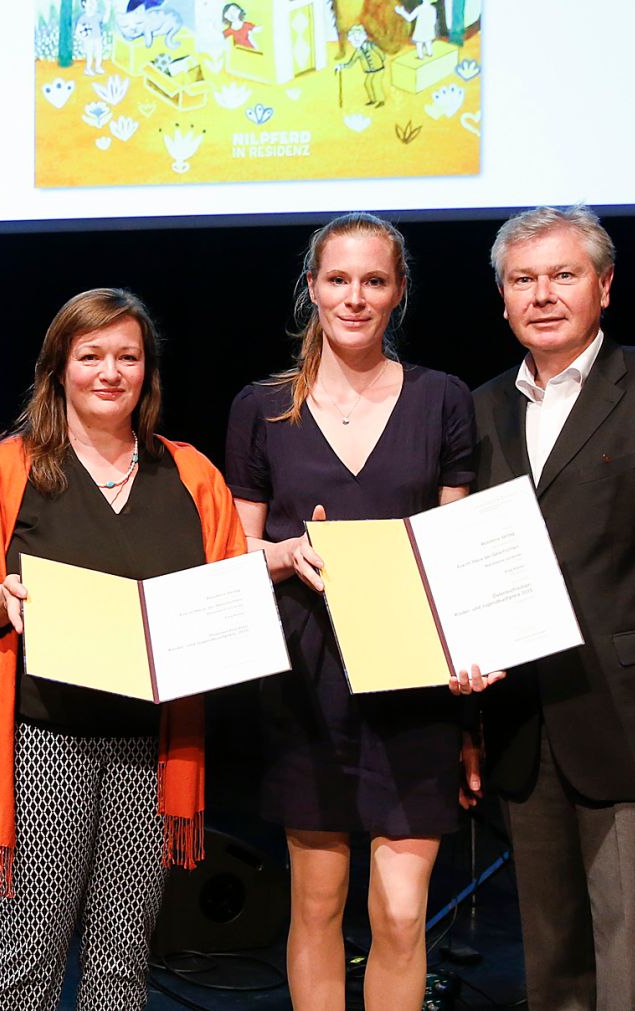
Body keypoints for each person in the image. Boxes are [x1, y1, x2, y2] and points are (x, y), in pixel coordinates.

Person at [463, 205, 635, 1009]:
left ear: (605, 286)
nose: (543, 294)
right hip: (524, 728)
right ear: (503, 298)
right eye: (524, 279)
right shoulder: (481, 409)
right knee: (552, 972)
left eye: (564, 274)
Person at [0, 288, 245, 1010]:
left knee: (122, 957)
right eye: (91, 356)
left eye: (127, 356)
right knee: (29, 950)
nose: (110, 371)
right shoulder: (9, 469)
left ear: (148, 371)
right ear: (59, 369)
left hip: (151, 743)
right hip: (45, 737)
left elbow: (229, 591)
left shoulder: (191, 473)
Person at [224, 213, 492, 1011]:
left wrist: (471, 695)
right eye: (337, 279)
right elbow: (234, 551)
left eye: (374, 280)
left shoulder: (442, 398)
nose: (355, 296)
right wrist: (278, 553)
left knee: (402, 913)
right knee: (315, 903)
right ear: (311, 288)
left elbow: (458, 554)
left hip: (413, 681)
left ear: (399, 291)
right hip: (308, 682)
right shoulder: (262, 406)